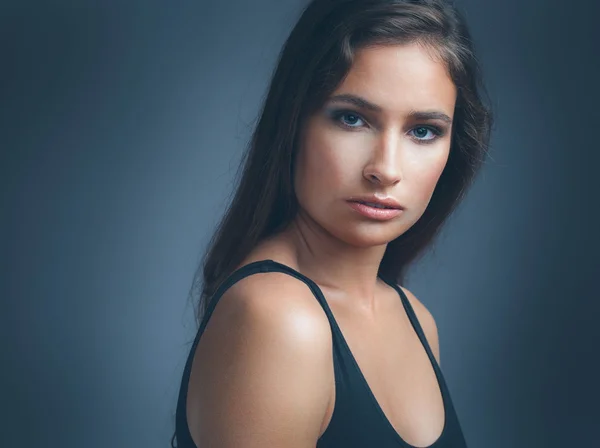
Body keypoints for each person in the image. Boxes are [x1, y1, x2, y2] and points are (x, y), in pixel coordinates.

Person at [172, 0, 492, 446]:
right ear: (294, 122)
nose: (385, 168)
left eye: (423, 131)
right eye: (352, 118)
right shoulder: (278, 318)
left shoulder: (415, 318)